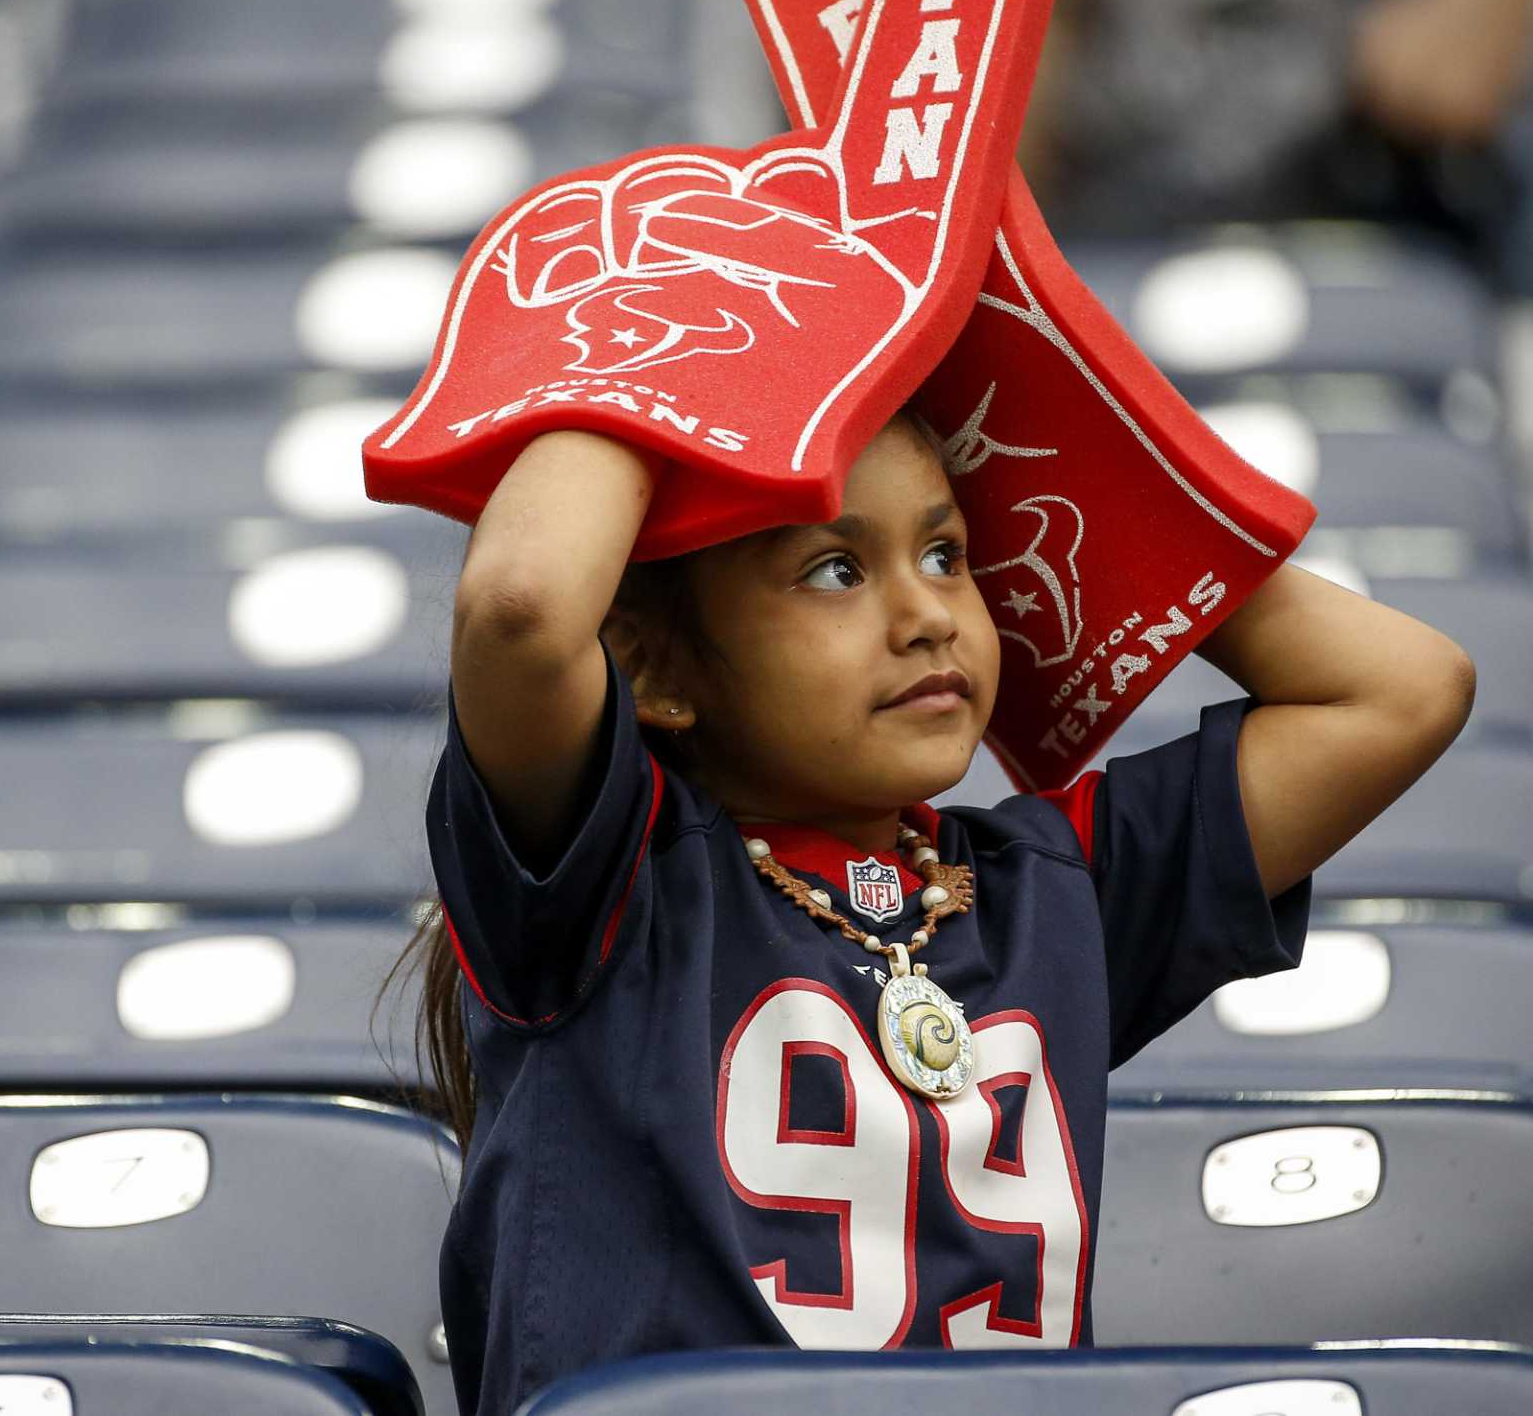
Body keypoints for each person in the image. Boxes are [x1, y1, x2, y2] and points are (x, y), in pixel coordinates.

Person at [393, 409, 1475, 1416]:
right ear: (650, 666)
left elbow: (1402, 688)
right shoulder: (604, 885)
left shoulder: (1054, 890)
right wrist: (696, 346)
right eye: (832, 570)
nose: (924, 617)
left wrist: (1055, 426)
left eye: (947, 555)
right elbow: (520, 605)